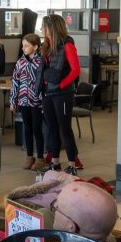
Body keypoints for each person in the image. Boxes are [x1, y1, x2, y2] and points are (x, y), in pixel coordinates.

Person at [40, 13, 83, 174]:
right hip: (47, 93)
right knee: (52, 129)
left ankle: (73, 164)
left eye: (44, 26)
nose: (42, 29)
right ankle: (55, 162)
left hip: (63, 94)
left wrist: (61, 85)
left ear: (51, 28)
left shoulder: (67, 45)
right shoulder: (46, 46)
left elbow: (75, 70)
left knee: (65, 129)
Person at [10, 32, 45, 171]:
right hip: (23, 100)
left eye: (26, 46)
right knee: (27, 129)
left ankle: (41, 157)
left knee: (37, 129)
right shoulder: (20, 62)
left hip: (37, 101)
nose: (23, 48)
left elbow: (43, 82)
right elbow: (15, 82)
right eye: (23, 46)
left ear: (35, 47)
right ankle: (29, 156)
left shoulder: (41, 61)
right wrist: (13, 100)